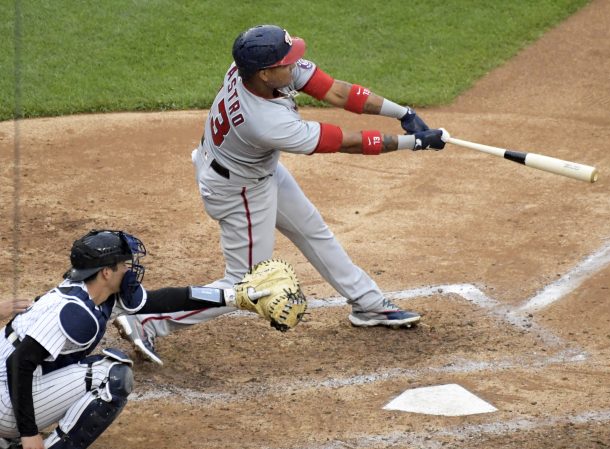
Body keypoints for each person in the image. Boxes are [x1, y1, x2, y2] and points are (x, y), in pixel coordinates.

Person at [116, 24, 446, 365]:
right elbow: (348, 142)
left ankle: (369, 304)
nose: (295, 65)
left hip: (254, 171)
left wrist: (402, 112)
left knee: (312, 230)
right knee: (248, 285)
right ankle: (149, 320)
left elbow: (335, 92)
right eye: (286, 63)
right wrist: (413, 142)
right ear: (265, 73)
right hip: (238, 191)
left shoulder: (253, 71)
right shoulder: (266, 121)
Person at [0, 229, 241, 449]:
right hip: (6, 402)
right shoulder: (74, 312)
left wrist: (231, 296)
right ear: (106, 271)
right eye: (125, 264)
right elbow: (19, 364)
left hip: (4, 388)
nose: (130, 270)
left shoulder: (93, 292)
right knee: (111, 375)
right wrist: (29, 433)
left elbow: (164, 300)